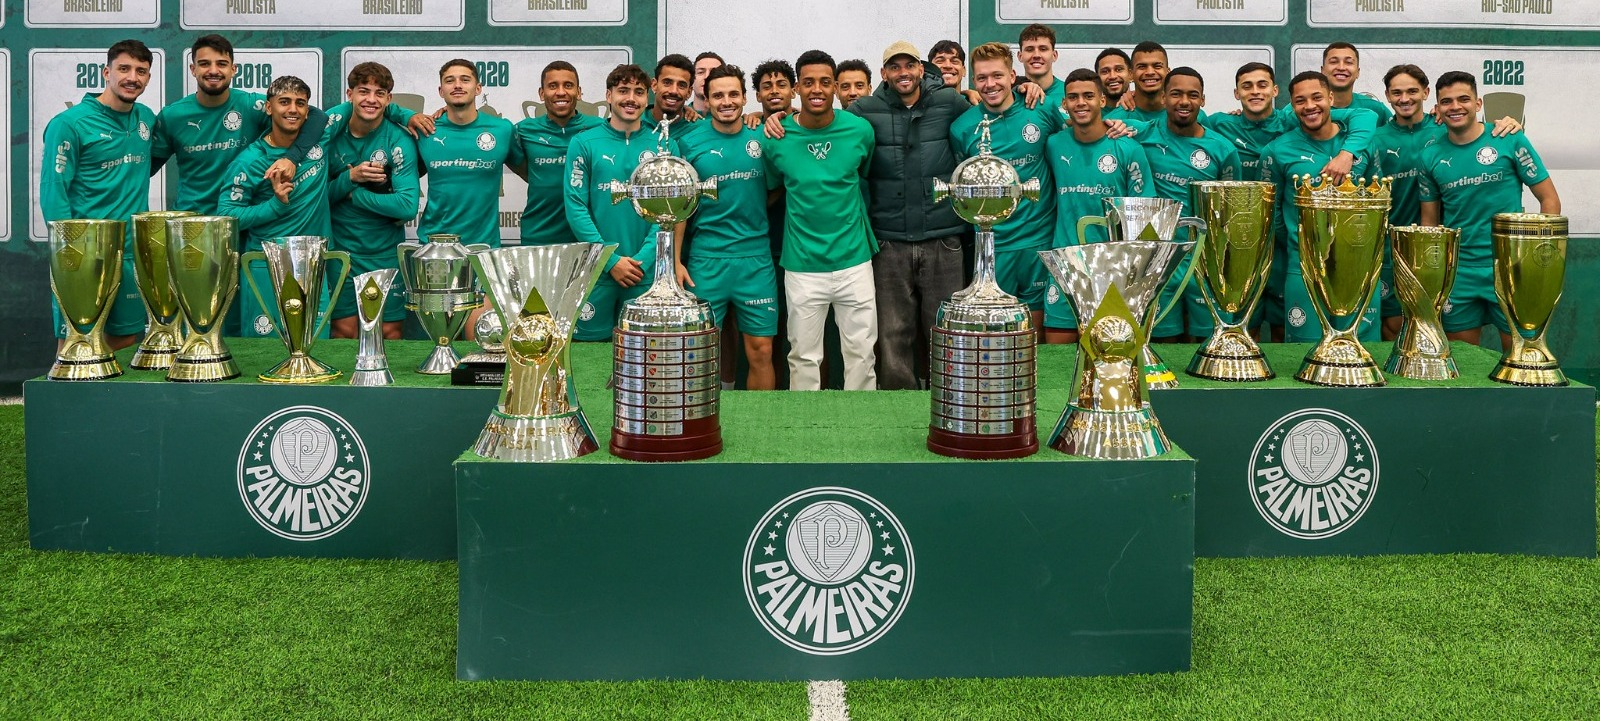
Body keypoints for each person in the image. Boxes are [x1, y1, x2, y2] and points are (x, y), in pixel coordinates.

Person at [844, 40, 971, 389]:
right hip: (889, 242)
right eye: (895, 67)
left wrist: (981, 92)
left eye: (909, 65)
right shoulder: (864, 110)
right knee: (892, 332)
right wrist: (776, 117)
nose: (903, 73)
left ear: (921, 69)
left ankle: (948, 395)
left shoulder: (949, 102)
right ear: (884, 73)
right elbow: (825, 126)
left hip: (943, 239)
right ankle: (897, 402)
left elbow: (985, 117)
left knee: (945, 329)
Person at [762, 50, 878, 390]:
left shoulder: (860, 130)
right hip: (802, 265)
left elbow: (864, 173)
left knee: (861, 354)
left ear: (835, 88)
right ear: (796, 88)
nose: (817, 89)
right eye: (809, 82)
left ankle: (863, 419)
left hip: (854, 261)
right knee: (803, 356)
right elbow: (773, 186)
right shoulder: (776, 137)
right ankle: (806, 421)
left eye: (825, 82)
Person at [1419, 71, 1559, 346]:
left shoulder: (1509, 138)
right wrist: (1435, 273)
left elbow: (1550, 199)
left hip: (1510, 267)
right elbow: (1429, 223)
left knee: (1521, 357)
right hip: (1459, 273)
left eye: (1463, 99)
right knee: (1465, 359)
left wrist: (1538, 258)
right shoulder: (1430, 156)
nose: (1455, 107)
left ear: (1478, 103)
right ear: (1437, 108)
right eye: (1446, 101)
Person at [41, 39, 156, 351]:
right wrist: (70, 251)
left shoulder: (146, 118)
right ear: (106, 73)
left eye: (141, 71)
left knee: (125, 339)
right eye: (124, 69)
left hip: (129, 252)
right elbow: (54, 190)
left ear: (148, 78)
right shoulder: (69, 123)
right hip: (84, 253)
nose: (132, 77)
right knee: (76, 343)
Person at [676, 65, 780, 390]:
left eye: (733, 94)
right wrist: (675, 261)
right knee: (698, 353)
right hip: (707, 260)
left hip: (756, 260)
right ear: (706, 100)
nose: (726, 101)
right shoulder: (688, 142)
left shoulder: (762, 137)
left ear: (745, 98)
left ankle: (759, 419)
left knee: (761, 351)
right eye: (718, 95)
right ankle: (702, 418)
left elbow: (778, 186)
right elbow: (679, 207)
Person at [1260, 71, 1380, 343]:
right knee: (1303, 352)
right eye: (1300, 101)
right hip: (1303, 267)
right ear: (1292, 106)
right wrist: (1299, 242)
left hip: (1359, 267)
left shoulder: (1361, 144)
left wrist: (1347, 154)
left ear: (1331, 98)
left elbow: (1377, 203)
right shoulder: (1276, 151)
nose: (1310, 106)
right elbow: (1273, 216)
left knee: (1361, 353)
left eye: (1317, 97)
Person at [949, 42, 1060, 334]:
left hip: (1039, 241)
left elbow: (1074, 140)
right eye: (982, 78)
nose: (990, 84)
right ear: (973, 81)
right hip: (992, 248)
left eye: (997, 75)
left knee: (1036, 334)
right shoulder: (962, 128)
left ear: (1013, 76)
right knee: (997, 334)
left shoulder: (1042, 107)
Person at [216, 76, 336, 339]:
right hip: (267, 266)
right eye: (284, 102)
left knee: (315, 349)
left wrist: (292, 158)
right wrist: (274, 206)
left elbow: (327, 114)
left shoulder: (320, 138)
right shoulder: (250, 161)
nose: (293, 109)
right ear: (269, 108)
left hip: (313, 264)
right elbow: (226, 215)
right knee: (266, 352)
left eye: (300, 103)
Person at [1043, 69, 1153, 344]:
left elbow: (1144, 215)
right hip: (1065, 265)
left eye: (1088, 96)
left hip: (1114, 270)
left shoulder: (1128, 148)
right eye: (1073, 97)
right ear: (1064, 103)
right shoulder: (1054, 144)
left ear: (1102, 100)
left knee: (1113, 353)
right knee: (1056, 355)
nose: (1080, 102)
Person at [565, 64, 674, 341]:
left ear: (647, 97)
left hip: (644, 272)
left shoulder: (664, 145)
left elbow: (670, 210)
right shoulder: (584, 143)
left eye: (639, 92)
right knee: (590, 355)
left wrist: (643, 260)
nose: (631, 99)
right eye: (623, 91)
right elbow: (576, 207)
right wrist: (609, 260)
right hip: (596, 270)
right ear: (608, 96)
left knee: (644, 353)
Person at [1137, 67, 1241, 342]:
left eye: (1193, 95)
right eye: (1176, 94)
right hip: (1158, 260)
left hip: (1204, 262)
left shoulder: (1223, 149)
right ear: (1163, 98)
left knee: (1207, 343)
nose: (1184, 101)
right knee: (1161, 342)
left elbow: (1231, 213)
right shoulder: (1141, 137)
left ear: (1203, 100)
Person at [324, 62, 420, 341]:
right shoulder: (330, 134)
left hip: (384, 251)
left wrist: (354, 194)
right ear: (349, 94)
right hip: (342, 250)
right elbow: (314, 198)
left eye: (379, 93)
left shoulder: (398, 139)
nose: (371, 99)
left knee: (389, 332)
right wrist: (349, 178)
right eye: (363, 91)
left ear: (389, 99)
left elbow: (407, 206)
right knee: (343, 331)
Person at [416, 59, 521, 249]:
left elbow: (534, 176)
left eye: (465, 80)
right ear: (441, 91)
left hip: (484, 247)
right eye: (450, 81)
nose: (457, 85)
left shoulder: (502, 130)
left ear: (478, 88)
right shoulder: (425, 130)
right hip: (434, 246)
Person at [510, 61, 605, 246]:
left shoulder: (599, 128)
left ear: (579, 92)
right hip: (538, 235)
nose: (561, 92)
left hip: (588, 236)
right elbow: (518, 165)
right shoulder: (524, 130)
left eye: (568, 85)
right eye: (553, 86)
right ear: (541, 93)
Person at [1322, 42, 1393, 125]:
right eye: (1334, 62)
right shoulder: (1313, 108)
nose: (1341, 67)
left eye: (1348, 62)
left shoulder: (1375, 109)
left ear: (1358, 72)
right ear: (1323, 71)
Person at [1111, 41, 1171, 123]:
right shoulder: (1113, 120)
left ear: (1168, 72)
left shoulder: (1185, 116)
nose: (1150, 72)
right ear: (1131, 74)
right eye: (1142, 67)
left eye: (1157, 66)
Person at [1017, 24, 1064, 107]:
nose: (1036, 55)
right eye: (1029, 49)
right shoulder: (1011, 95)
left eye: (1043, 49)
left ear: (1054, 55)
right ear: (1020, 56)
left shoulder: (1069, 92)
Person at [645, 54, 696, 129]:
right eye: (667, 83)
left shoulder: (700, 129)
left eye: (681, 85)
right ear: (654, 85)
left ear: (689, 92)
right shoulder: (635, 122)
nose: (674, 91)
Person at [691, 51, 723, 115]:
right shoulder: (678, 117)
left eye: (714, 72)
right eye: (700, 72)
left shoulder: (736, 119)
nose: (707, 77)